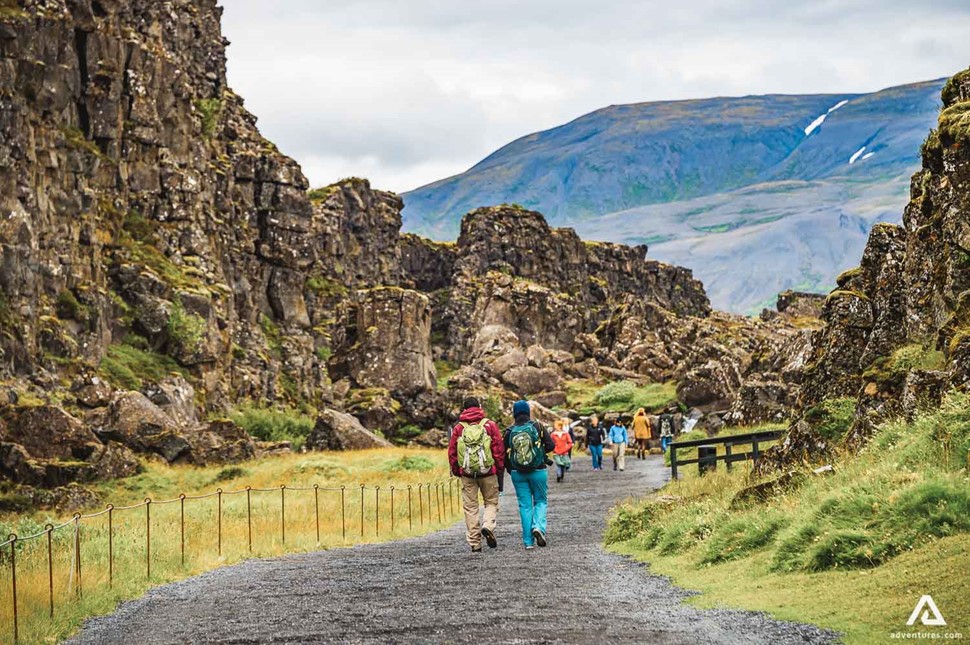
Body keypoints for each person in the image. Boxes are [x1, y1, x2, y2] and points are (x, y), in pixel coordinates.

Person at [447, 397, 505, 553]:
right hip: (488, 472)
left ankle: (475, 543)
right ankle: (487, 525)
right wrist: (499, 469)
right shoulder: (490, 425)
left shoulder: (458, 428)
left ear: (464, 409)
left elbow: (452, 452)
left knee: (471, 507)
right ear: (479, 406)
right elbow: (498, 449)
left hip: (467, 473)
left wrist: (457, 471)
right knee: (491, 502)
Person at [504, 400, 555, 550]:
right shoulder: (537, 426)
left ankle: (528, 542)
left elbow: (502, 454)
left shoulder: (509, 431)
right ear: (528, 412)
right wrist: (539, 454)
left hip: (517, 473)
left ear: (514, 413)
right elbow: (551, 445)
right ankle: (538, 527)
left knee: (525, 506)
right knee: (540, 501)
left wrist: (510, 468)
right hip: (538, 471)